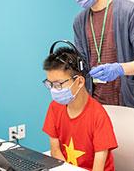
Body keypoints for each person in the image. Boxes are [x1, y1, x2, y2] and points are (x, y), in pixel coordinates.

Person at [42, 43, 118, 171]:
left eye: (58, 84)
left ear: (80, 81)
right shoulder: (55, 107)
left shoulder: (98, 116)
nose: (54, 90)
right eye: (50, 84)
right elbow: (55, 150)